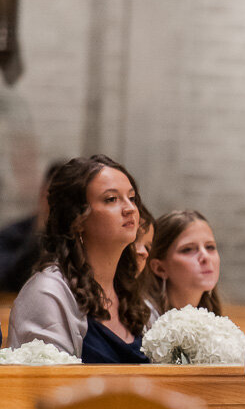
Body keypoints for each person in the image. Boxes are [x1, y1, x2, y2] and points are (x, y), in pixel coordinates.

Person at [8, 155, 153, 363]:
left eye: (132, 198)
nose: (130, 208)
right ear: (77, 220)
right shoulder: (48, 293)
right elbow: (45, 388)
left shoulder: (135, 295)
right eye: (111, 199)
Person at [0, 160, 65, 294]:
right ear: (43, 194)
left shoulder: (85, 238)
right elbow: (7, 280)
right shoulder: (13, 234)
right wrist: (40, 231)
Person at [143, 210, 223, 315]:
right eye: (188, 249)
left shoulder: (212, 317)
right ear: (159, 268)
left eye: (210, 247)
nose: (205, 257)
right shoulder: (144, 317)